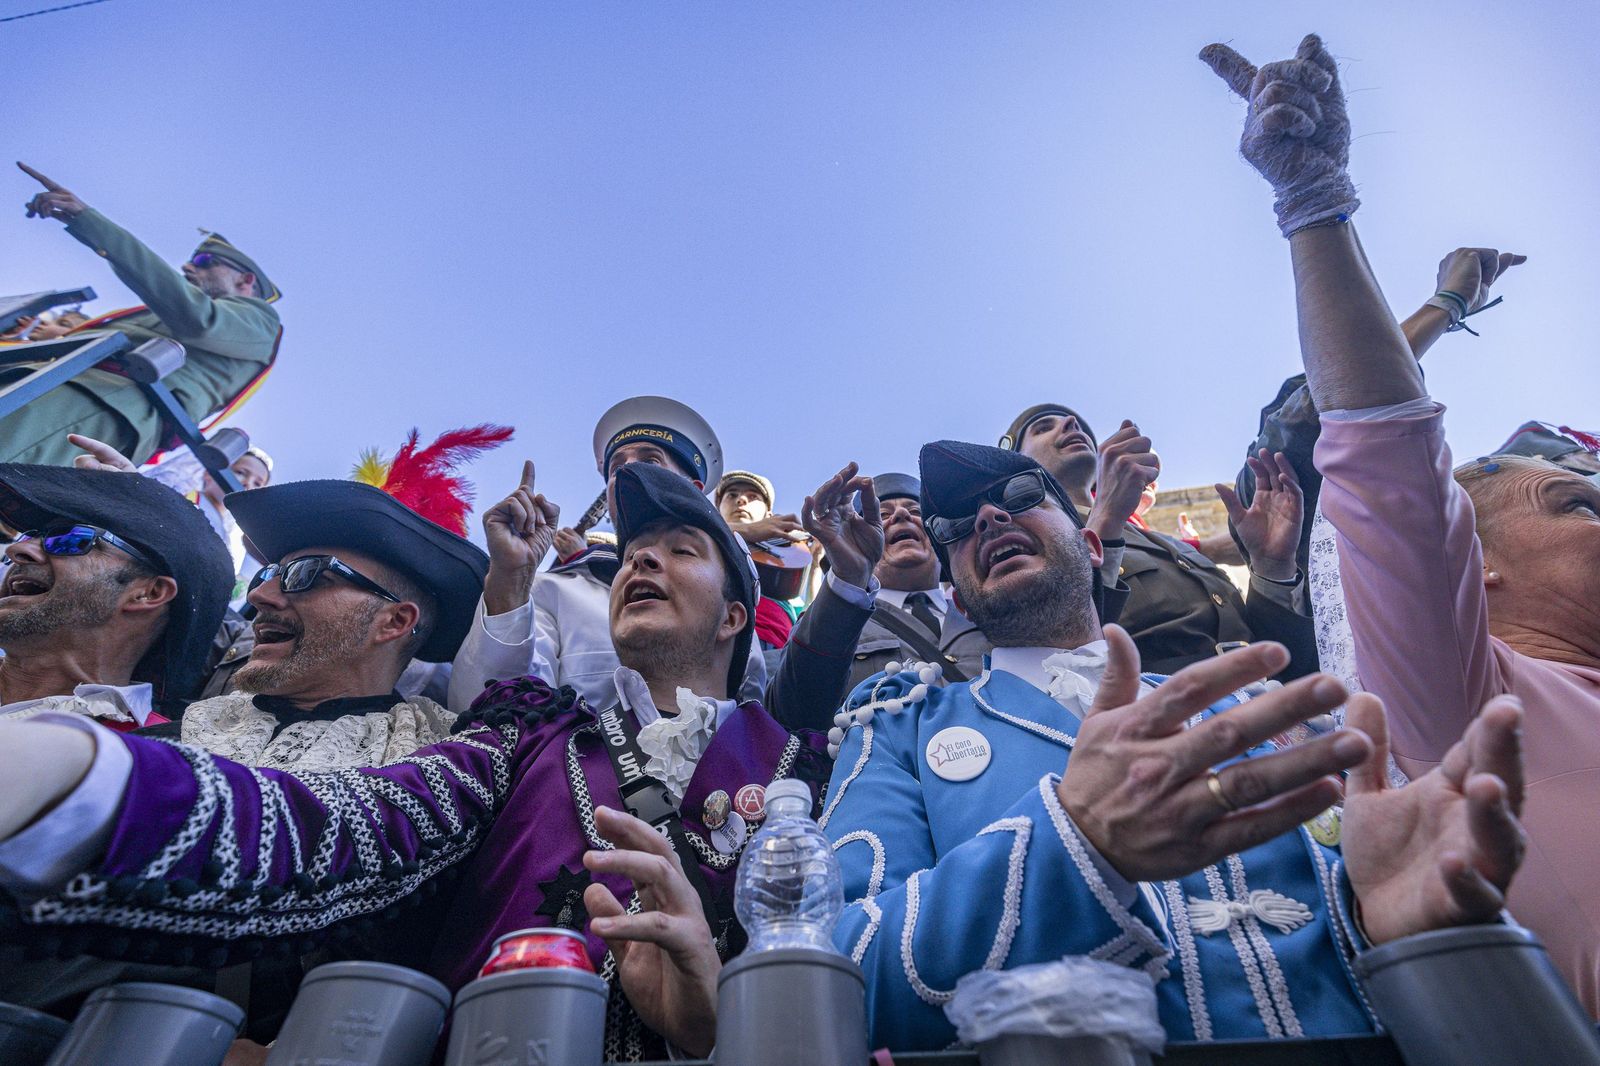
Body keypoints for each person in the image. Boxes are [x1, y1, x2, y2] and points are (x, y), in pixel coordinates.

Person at [0, 462, 838, 1059]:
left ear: (736, 618)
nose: (640, 560)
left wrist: (715, 1020)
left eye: (682, 547)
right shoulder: (527, 729)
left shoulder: (814, 764)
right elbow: (368, 824)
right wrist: (94, 790)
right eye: (632, 551)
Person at [820, 437, 1526, 1050]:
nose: (987, 517)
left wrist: (1394, 932)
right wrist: (1076, 846)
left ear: (1093, 545)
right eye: (956, 528)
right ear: (961, 602)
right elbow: (834, 979)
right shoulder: (897, 727)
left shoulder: (1248, 702)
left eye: (1019, 494)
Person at [1202, 31, 1600, 1014]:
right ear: (1475, 570)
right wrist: (1313, 206)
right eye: (1577, 502)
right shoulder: (1469, 705)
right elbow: (1385, 455)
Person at [451, 396, 877, 733]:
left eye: (650, 462)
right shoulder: (553, 590)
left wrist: (848, 579)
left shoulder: (722, 591)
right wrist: (510, 583)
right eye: (616, 466)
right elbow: (480, 718)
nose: (627, 474)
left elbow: (761, 723)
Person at [1001, 405, 1316, 677]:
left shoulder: (1167, 544)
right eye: (1044, 427)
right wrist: (1105, 520)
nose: (1070, 424)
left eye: (1077, 424)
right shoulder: (1027, 545)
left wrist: (1271, 569)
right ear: (1017, 463)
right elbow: (1059, 651)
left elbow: (1280, 657)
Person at [4, 163, 281, 467]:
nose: (188, 267)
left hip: (98, 402)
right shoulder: (176, 315)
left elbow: (198, 320)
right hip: (61, 383)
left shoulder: (261, 321)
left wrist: (91, 223)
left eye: (205, 261)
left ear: (246, 281)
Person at [0, 464, 233, 724]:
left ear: (148, 593)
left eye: (71, 538)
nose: (18, 551)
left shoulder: (147, 757)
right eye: (28, 536)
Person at [68, 431, 273, 586]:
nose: (247, 483)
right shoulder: (181, 495)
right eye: (241, 472)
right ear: (208, 474)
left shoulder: (232, 540)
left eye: (257, 483)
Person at [714, 469, 804, 650]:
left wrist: (817, 564)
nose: (741, 500)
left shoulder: (783, 557)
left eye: (753, 497)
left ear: (769, 515)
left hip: (775, 646)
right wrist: (746, 531)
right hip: (711, 636)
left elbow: (804, 608)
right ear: (717, 509)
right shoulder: (698, 534)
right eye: (731, 495)